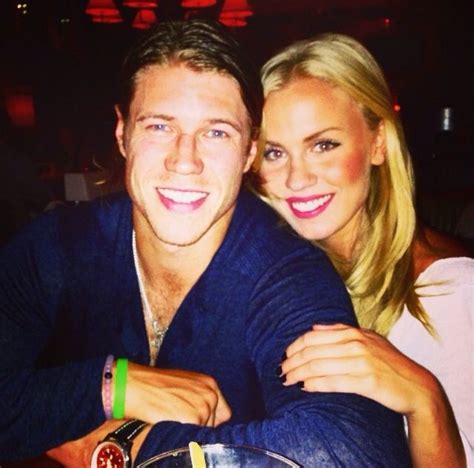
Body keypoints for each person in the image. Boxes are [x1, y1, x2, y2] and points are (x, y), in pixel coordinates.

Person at [0, 20, 411, 467]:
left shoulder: (286, 272)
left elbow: (347, 452)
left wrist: (111, 448)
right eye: (159, 126)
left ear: (249, 151)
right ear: (122, 134)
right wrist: (112, 385)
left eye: (216, 132)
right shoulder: (56, 245)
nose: (184, 160)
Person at [254, 32, 473, 467]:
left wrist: (424, 398)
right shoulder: (285, 273)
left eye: (323, 145)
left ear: (377, 143)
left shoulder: (452, 295)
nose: (296, 179)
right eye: (275, 152)